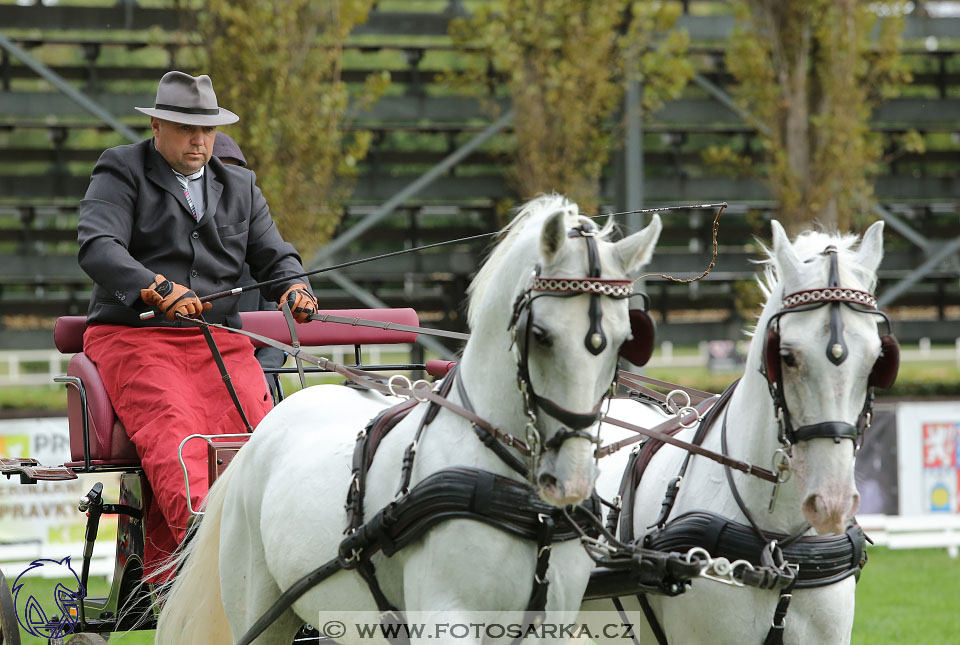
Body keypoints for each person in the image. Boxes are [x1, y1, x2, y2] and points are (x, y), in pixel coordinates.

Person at [77, 71, 319, 580]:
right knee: (175, 434)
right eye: (188, 129)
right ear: (157, 126)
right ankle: (204, 567)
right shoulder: (121, 169)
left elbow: (274, 257)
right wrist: (155, 286)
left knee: (255, 438)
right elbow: (98, 247)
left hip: (219, 341)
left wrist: (294, 287)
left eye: (208, 130)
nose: (200, 141)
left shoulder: (240, 184)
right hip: (135, 336)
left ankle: (268, 554)